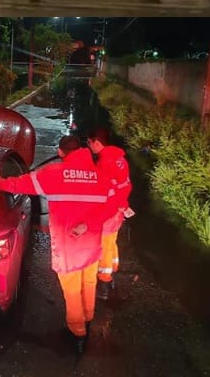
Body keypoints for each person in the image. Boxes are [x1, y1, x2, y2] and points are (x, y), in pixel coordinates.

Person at [0, 135, 114, 352]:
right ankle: (88, 318)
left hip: (69, 249)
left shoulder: (53, 174)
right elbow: (113, 205)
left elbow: (21, 184)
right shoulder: (101, 176)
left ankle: (78, 333)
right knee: (89, 284)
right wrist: (88, 224)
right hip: (92, 245)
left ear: (60, 152)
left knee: (72, 291)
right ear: (83, 150)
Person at [88, 126, 132, 301]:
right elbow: (126, 185)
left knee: (105, 244)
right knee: (112, 241)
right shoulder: (120, 159)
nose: (89, 145)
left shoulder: (104, 163)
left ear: (97, 142)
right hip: (120, 208)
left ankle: (104, 282)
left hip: (110, 210)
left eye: (90, 142)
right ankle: (113, 269)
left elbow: (104, 190)